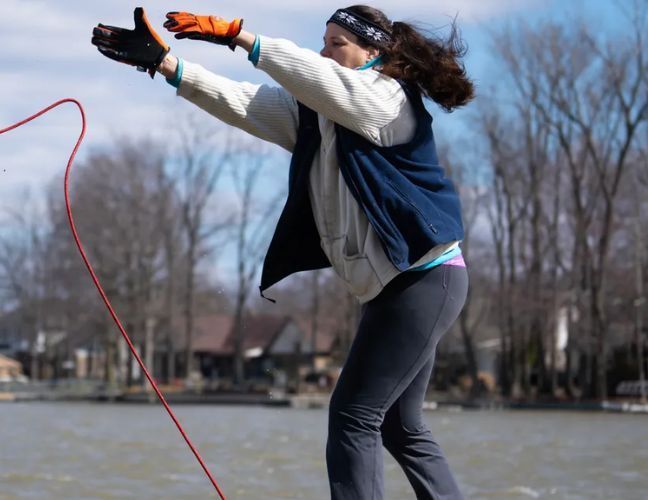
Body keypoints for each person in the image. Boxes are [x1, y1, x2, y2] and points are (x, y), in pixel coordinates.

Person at [93, 5, 472, 499]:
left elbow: (326, 84)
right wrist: (169, 66)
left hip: (425, 279)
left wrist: (240, 38)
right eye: (324, 41)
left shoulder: (387, 99)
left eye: (338, 43)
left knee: (354, 415)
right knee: (400, 426)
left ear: (374, 53)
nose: (325, 52)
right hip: (397, 287)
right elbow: (245, 102)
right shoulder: (318, 117)